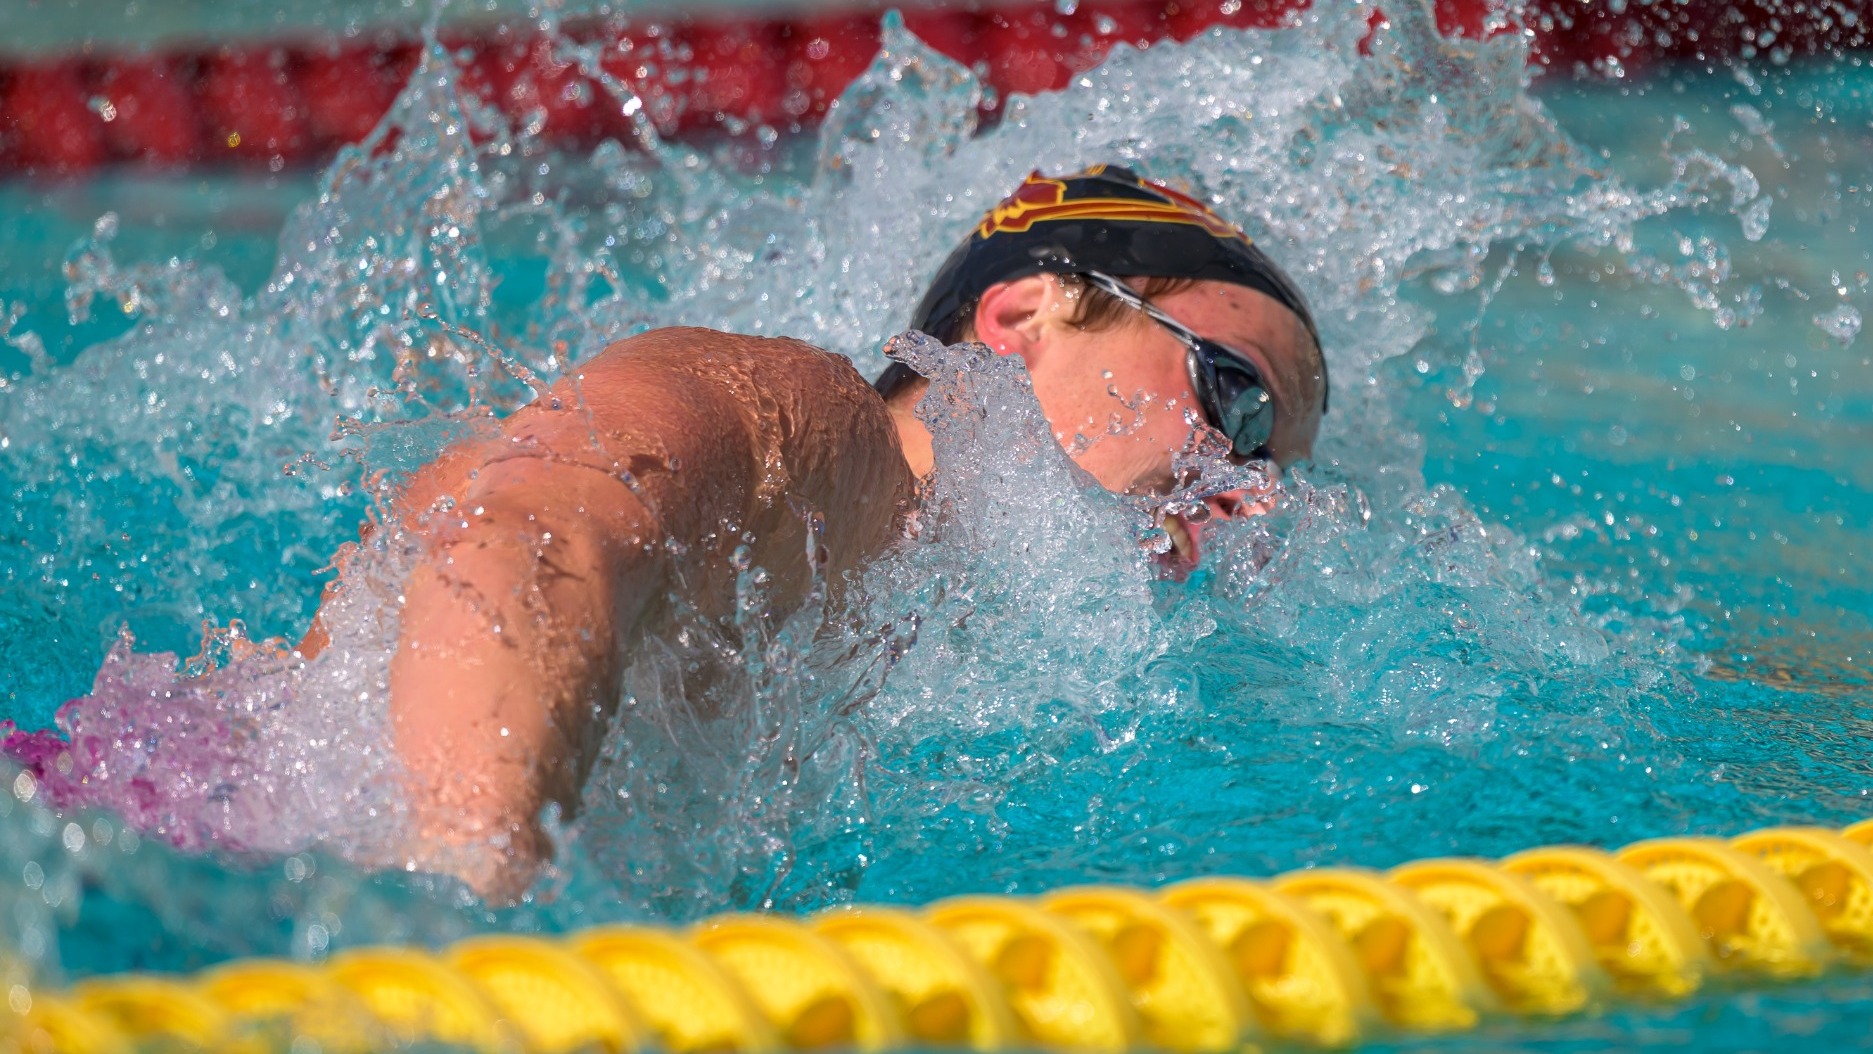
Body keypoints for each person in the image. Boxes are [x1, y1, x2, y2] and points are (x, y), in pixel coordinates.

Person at [301, 164, 1330, 899]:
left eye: (1275, 467)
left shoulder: (956, 642)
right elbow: (519, 545)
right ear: (1020, 319)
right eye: (1237, 399)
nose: (1251, 493)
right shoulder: (820, 436)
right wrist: (460, 911)